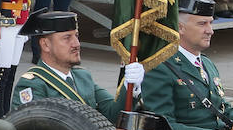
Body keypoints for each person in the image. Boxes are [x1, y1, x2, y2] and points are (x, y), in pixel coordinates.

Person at [142, 0, 233, 130]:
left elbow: (224, 109)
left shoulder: (207, 64)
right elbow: (163, 126)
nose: (210, 30)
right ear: (180, 27)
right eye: (202, 24)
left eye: (210, 23)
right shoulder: (159, 66)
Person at [10, 10, 142, 112]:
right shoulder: (33, 85)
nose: (76, 44)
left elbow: (113, 113)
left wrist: (130, 87)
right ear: (45, 45)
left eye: (76, 36)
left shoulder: (83, 77)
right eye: (67, 38)